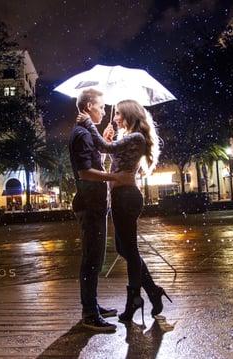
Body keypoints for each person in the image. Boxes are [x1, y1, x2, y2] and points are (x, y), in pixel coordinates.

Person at [77, 99, 172, 324]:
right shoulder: (128, 138)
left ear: (129, 114)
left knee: (130, 249)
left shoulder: (136, 137)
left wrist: (91, 125)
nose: (115, 117)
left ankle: (134, 300)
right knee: (125, 248)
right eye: (115, 113)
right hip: (121, 197)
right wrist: (107, 138)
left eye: (119, 114)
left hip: (127, 197)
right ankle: (151, 291)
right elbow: (114, 157)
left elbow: (104, 148)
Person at [69, 88, 133, 332]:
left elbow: (94, 163)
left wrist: (103, 143)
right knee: (91, 259)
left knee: (95, 258)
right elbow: (85, 172)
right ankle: (89, 313)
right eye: (101, 106)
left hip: (95, 202)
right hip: (90, 204)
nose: (104, 111)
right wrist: (114, 176)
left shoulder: (87, 134)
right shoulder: (81, 134)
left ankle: (92, 305)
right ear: (88, 107)